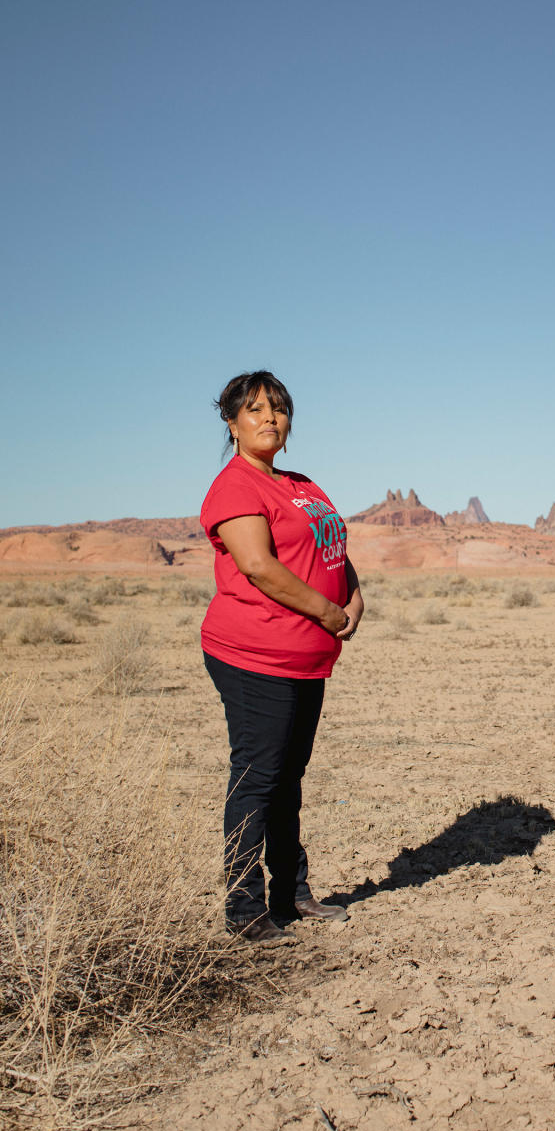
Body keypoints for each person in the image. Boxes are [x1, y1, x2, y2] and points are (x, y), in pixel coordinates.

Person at [200, 371, 364, 940]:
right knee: (258, 776)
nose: (269, 418)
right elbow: (259, 566)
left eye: (278, 409)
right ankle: (245, 912)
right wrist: (326, 611)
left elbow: (331, 545)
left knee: (287, 777)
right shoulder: (236, 487)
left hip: (305, 659)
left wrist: (356, 593)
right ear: (232, 422)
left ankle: (291, 895)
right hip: (252, 653)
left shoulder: (302, 483)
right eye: (255, 410)